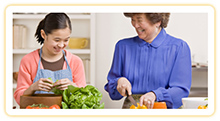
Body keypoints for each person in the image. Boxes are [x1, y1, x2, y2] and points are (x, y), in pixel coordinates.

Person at [104, 13, 192, 109]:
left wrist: (155, 95)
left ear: (158, 21)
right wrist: (119, 82)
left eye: (139, 20)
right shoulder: (123, 46)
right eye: (133, 19)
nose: (135, 25)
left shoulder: (179, 47)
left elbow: (181, 92)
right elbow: (113, 93)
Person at [14, 13, 86, 105]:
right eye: (57, 40)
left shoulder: (75, 62)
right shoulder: (28, 61)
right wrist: (32, 88)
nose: (61, 45)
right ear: (43, 34)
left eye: (66, 40)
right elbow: (19, 99)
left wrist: (74, 87)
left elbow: (85, 99)